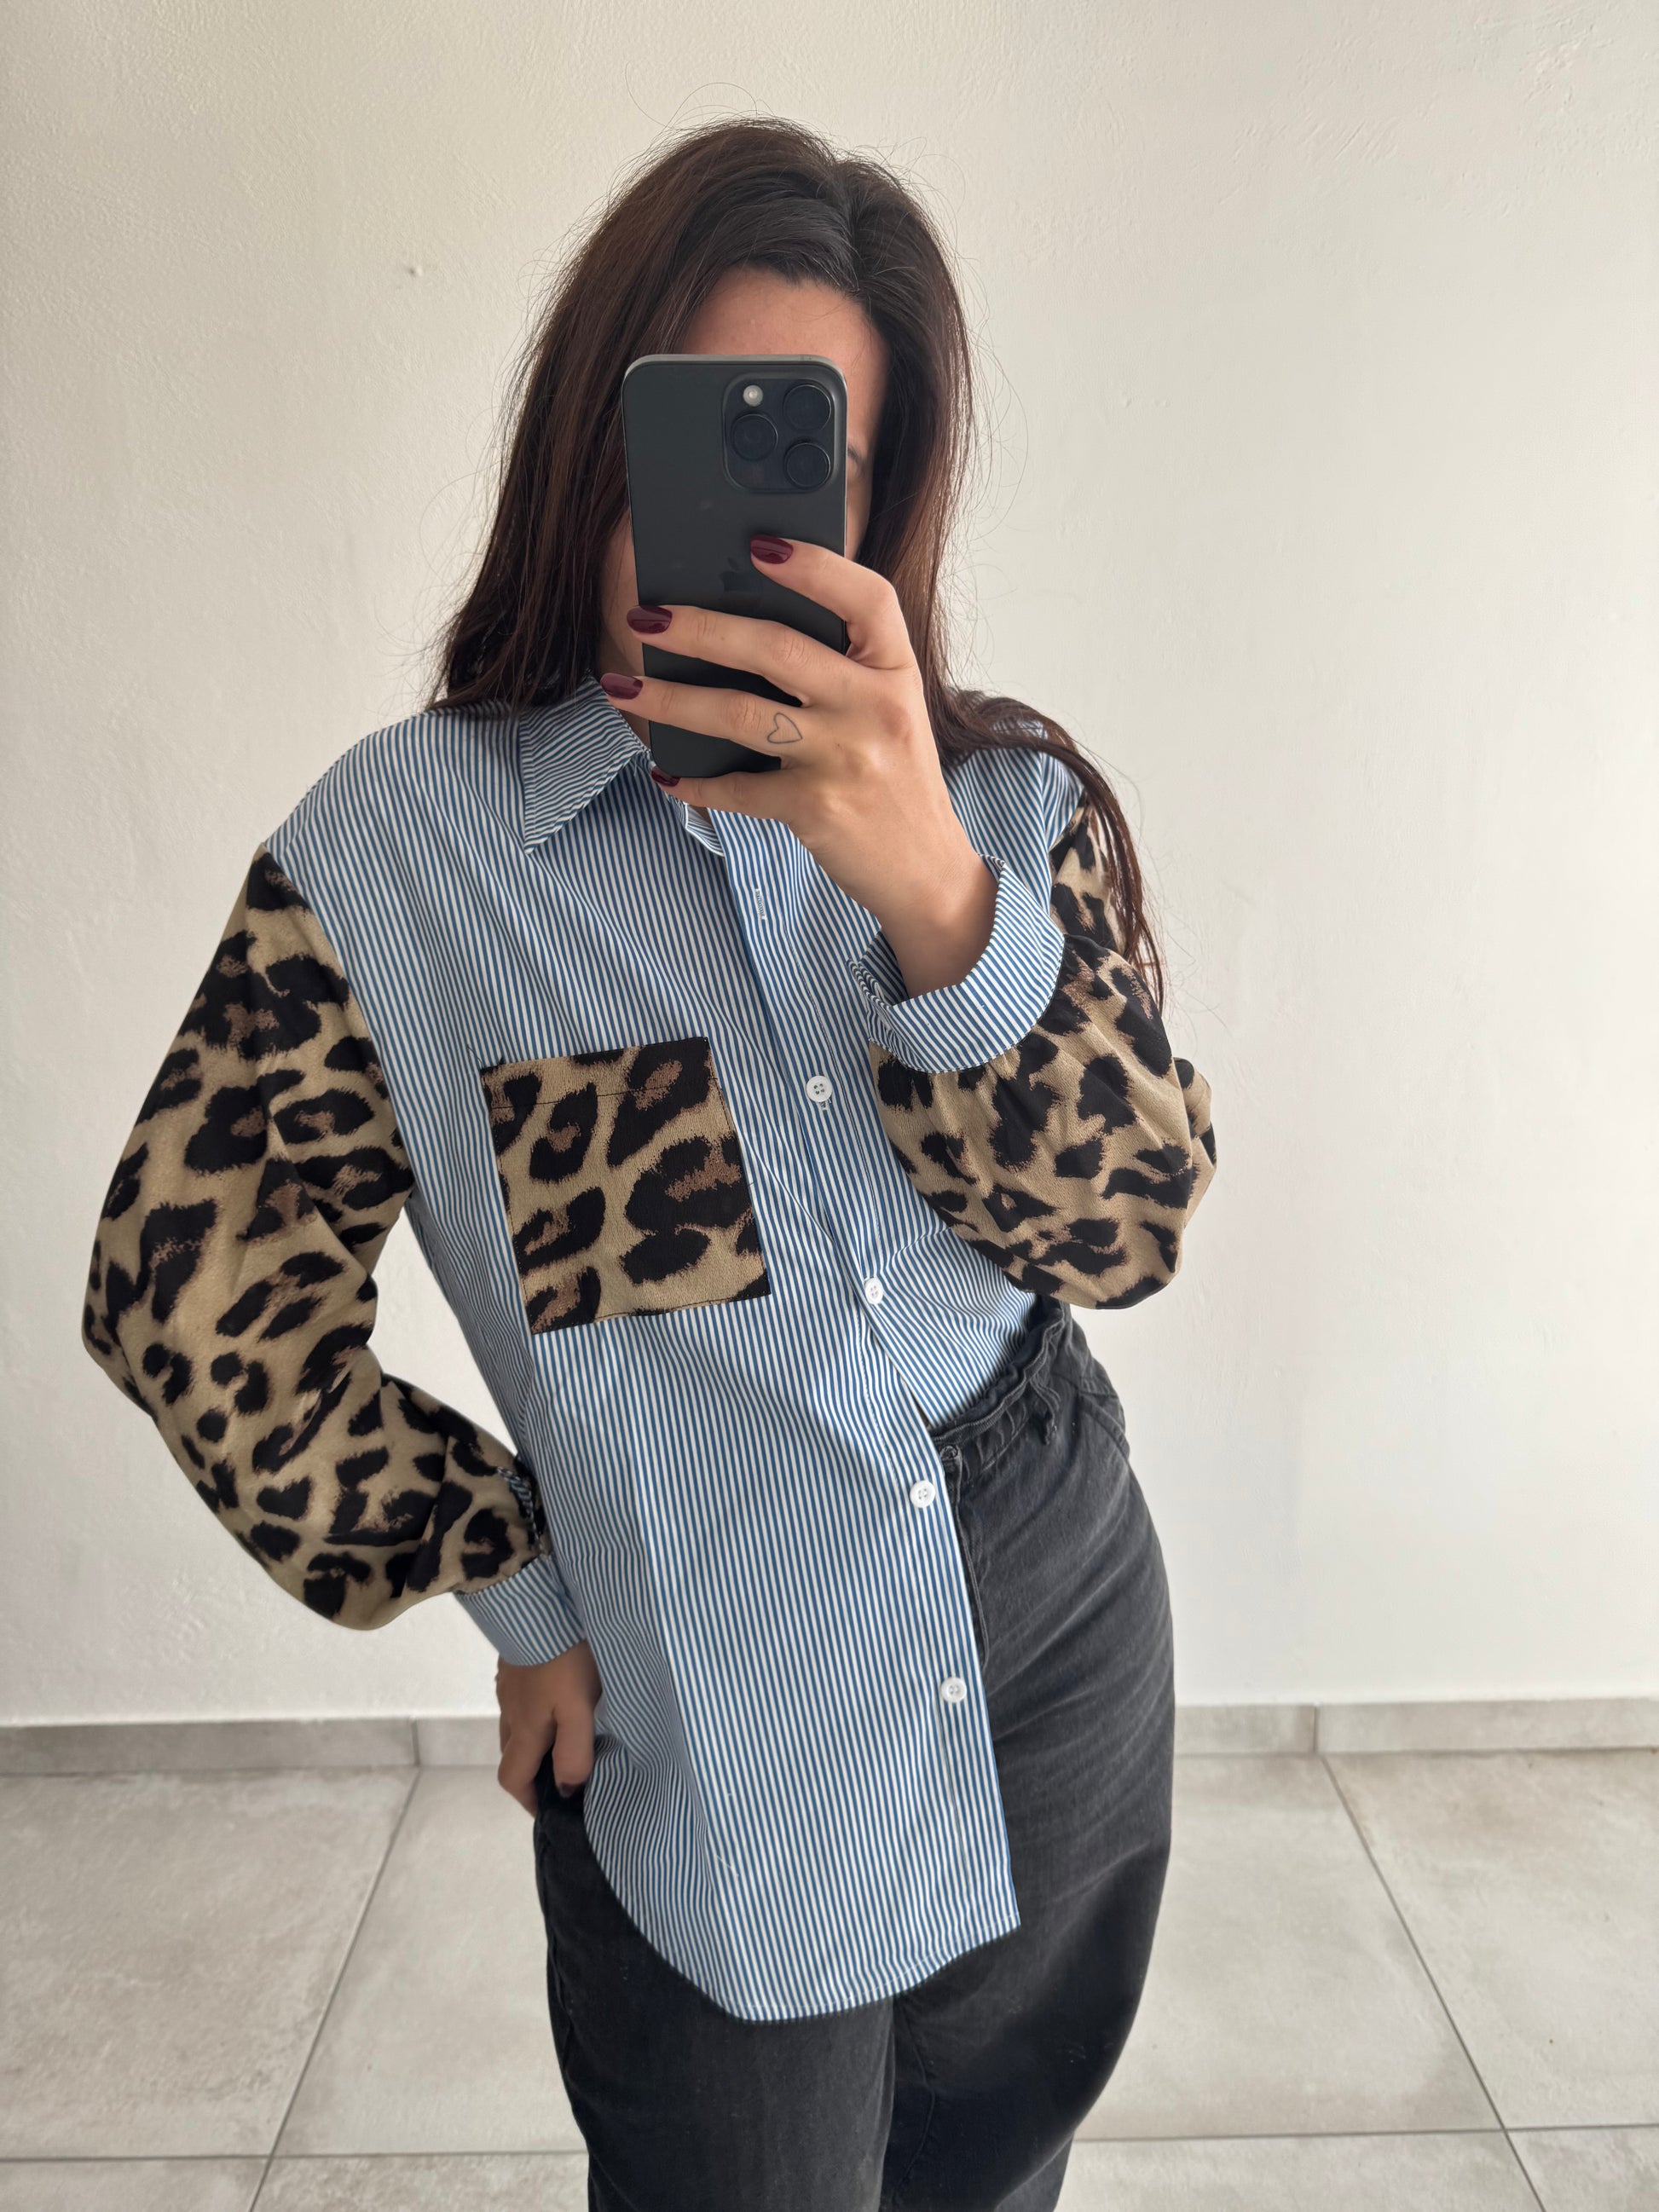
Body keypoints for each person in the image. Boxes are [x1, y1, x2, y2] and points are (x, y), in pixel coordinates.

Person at [81, 115, 1216, 2212]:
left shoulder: (995, 808)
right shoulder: (399, 860)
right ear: (585, 441)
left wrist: (932, 898)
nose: (723, 529)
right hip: (708, 1687)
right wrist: (509, 1576)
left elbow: (1125, 1223)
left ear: (875, 504)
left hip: (1048, 1611)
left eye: (802, 466)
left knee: (992, 2172)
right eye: (684, 438)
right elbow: (187, 1296)